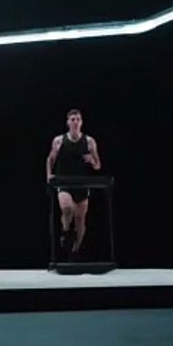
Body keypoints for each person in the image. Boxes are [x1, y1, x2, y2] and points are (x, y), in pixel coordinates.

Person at [45, 108, 101, 258]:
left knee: (80, 219)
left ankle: (75, 251)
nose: (75, 122)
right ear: (68, 122)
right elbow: (50, 159)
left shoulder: (89, 141)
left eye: (78, 119)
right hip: (64, 182)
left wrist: (92, 161)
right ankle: (65, 231)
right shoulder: (59, 140)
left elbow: (98, 165)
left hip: (81, 184)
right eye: (73, 119)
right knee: (67, 208)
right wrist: (49, 175)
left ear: (81, 122)